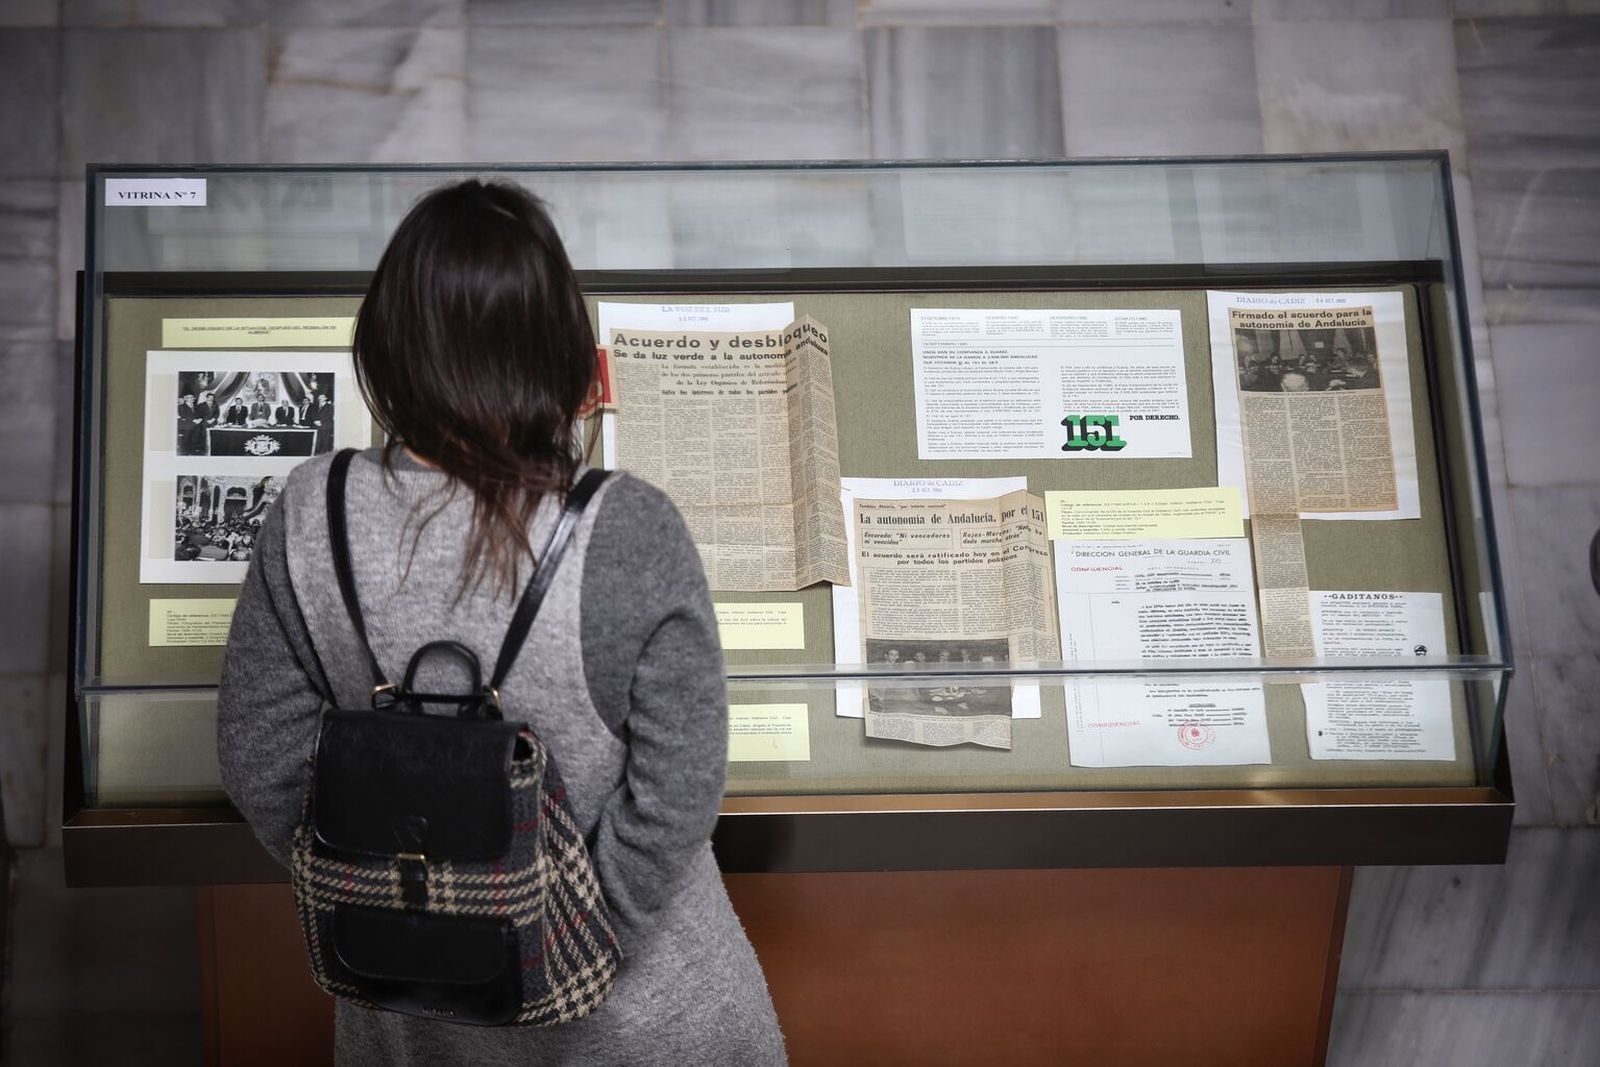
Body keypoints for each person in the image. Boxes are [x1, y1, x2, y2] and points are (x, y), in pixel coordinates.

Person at [215, 179, 785, 1066]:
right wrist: (564, 941)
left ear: (390, 343)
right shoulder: (625, 525)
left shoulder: (308, 514)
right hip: (650, 1025)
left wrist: (399, 897)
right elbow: (681, 787)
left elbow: (261, 753)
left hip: (409, 1020)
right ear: (558, 345)